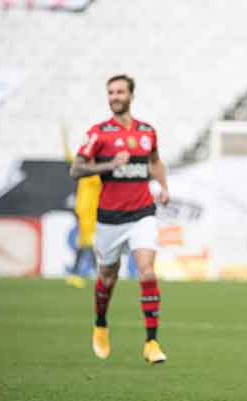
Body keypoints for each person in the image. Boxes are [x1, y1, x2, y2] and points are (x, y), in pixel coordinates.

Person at [70, 74, 169, 364]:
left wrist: (163, 186)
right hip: (110, 220)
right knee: (107, 277)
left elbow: (154, 161)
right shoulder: (99, 133)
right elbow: (76, 169)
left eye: (119, 91)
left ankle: (151, 342)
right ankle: (100, 323)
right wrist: (109, 164)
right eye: (110, 92)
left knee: (147, 271)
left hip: (143, 214)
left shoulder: (147, 131)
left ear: (130, 95)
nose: (114, 96)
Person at [62, 125, 101, 289]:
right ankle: (94, 275)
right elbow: (70, 158)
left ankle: (78, 274)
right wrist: (65, 139)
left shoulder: (96, 174)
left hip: (91, 215)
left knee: (87, 244)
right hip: (83, 214)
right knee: (86, 244)